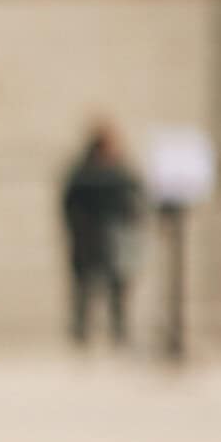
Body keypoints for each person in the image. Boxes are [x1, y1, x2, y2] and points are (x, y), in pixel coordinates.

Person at [61, 120, 145, 345]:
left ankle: (118, 333)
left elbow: (135, 200)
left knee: (117, 289)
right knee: (85, 290)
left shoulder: (119, 171)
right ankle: (82, 334)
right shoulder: (84, 172)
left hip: (114, 238)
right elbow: (70, 203)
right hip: (88, 238)